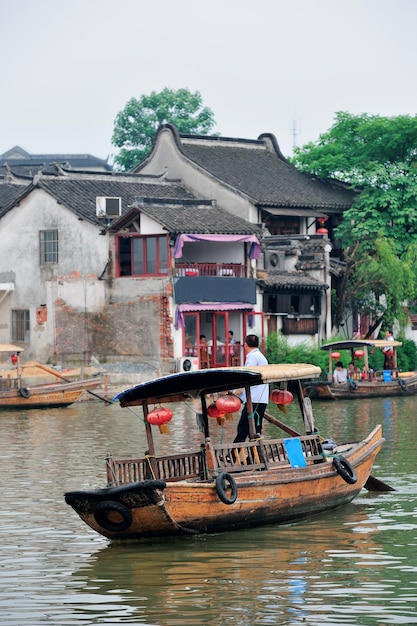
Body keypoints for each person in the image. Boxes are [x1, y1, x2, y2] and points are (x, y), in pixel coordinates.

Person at [233, 334, 269, 442]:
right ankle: (254, 457)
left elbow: (246, 376)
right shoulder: (262, 357)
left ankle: (231, 456)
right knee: (255, 429)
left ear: (245, 345)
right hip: (261, 399)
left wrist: (235, 392)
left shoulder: (252, 357)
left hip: (253, 399)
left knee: (243, 428)